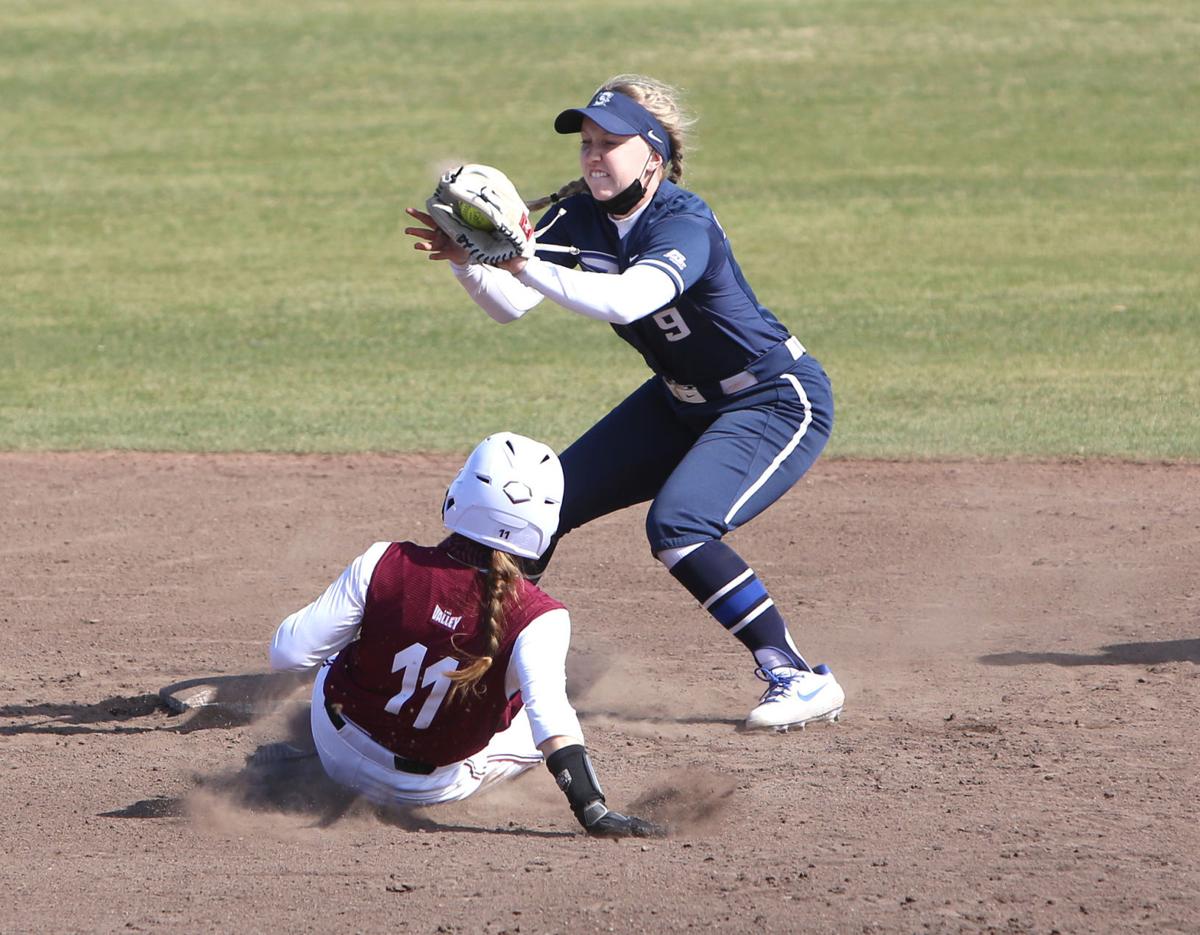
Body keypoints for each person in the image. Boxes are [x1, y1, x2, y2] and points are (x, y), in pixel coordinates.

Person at [404, 75, 844, 732]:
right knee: (539, 509)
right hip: (675, 402)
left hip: (772, 398)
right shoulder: (579, 216)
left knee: (679, 525)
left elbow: (630, 298)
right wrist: (467, 260)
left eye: (610, 143)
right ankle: (468, 662)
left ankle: (798, 675)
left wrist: (519, 262)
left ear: (653, 156)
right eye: (586, 143)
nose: (593, 156)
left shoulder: (683, 221)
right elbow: (510, 305)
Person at [269, 432, 660, 837]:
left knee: (340, 647)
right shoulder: (542, 616)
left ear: (460, 492)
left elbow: (288, 654)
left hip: (335, 747)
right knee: (538, 708)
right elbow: (551, 721)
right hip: (427, 787)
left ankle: (308, 757)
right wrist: (591, 808)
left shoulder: (383, 561)